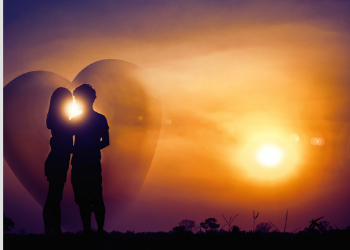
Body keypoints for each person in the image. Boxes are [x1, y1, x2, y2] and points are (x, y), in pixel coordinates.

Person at [70, 84, 109, 237]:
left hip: (89, 164)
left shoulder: (100, 119)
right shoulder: (74, 120)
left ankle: (98, 232)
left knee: (95, 198)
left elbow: (105, 141)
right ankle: (89, 232)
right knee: (83, 199)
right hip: (81, 164)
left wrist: (85, 150)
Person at [43, 87, 73, 238]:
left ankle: (53, 232)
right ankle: (53, 232)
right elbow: (65, 144)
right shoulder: (61, 121)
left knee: (54, 197)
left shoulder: (57, 119)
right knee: (54, 197)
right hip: (58, 161)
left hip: (57, 160)